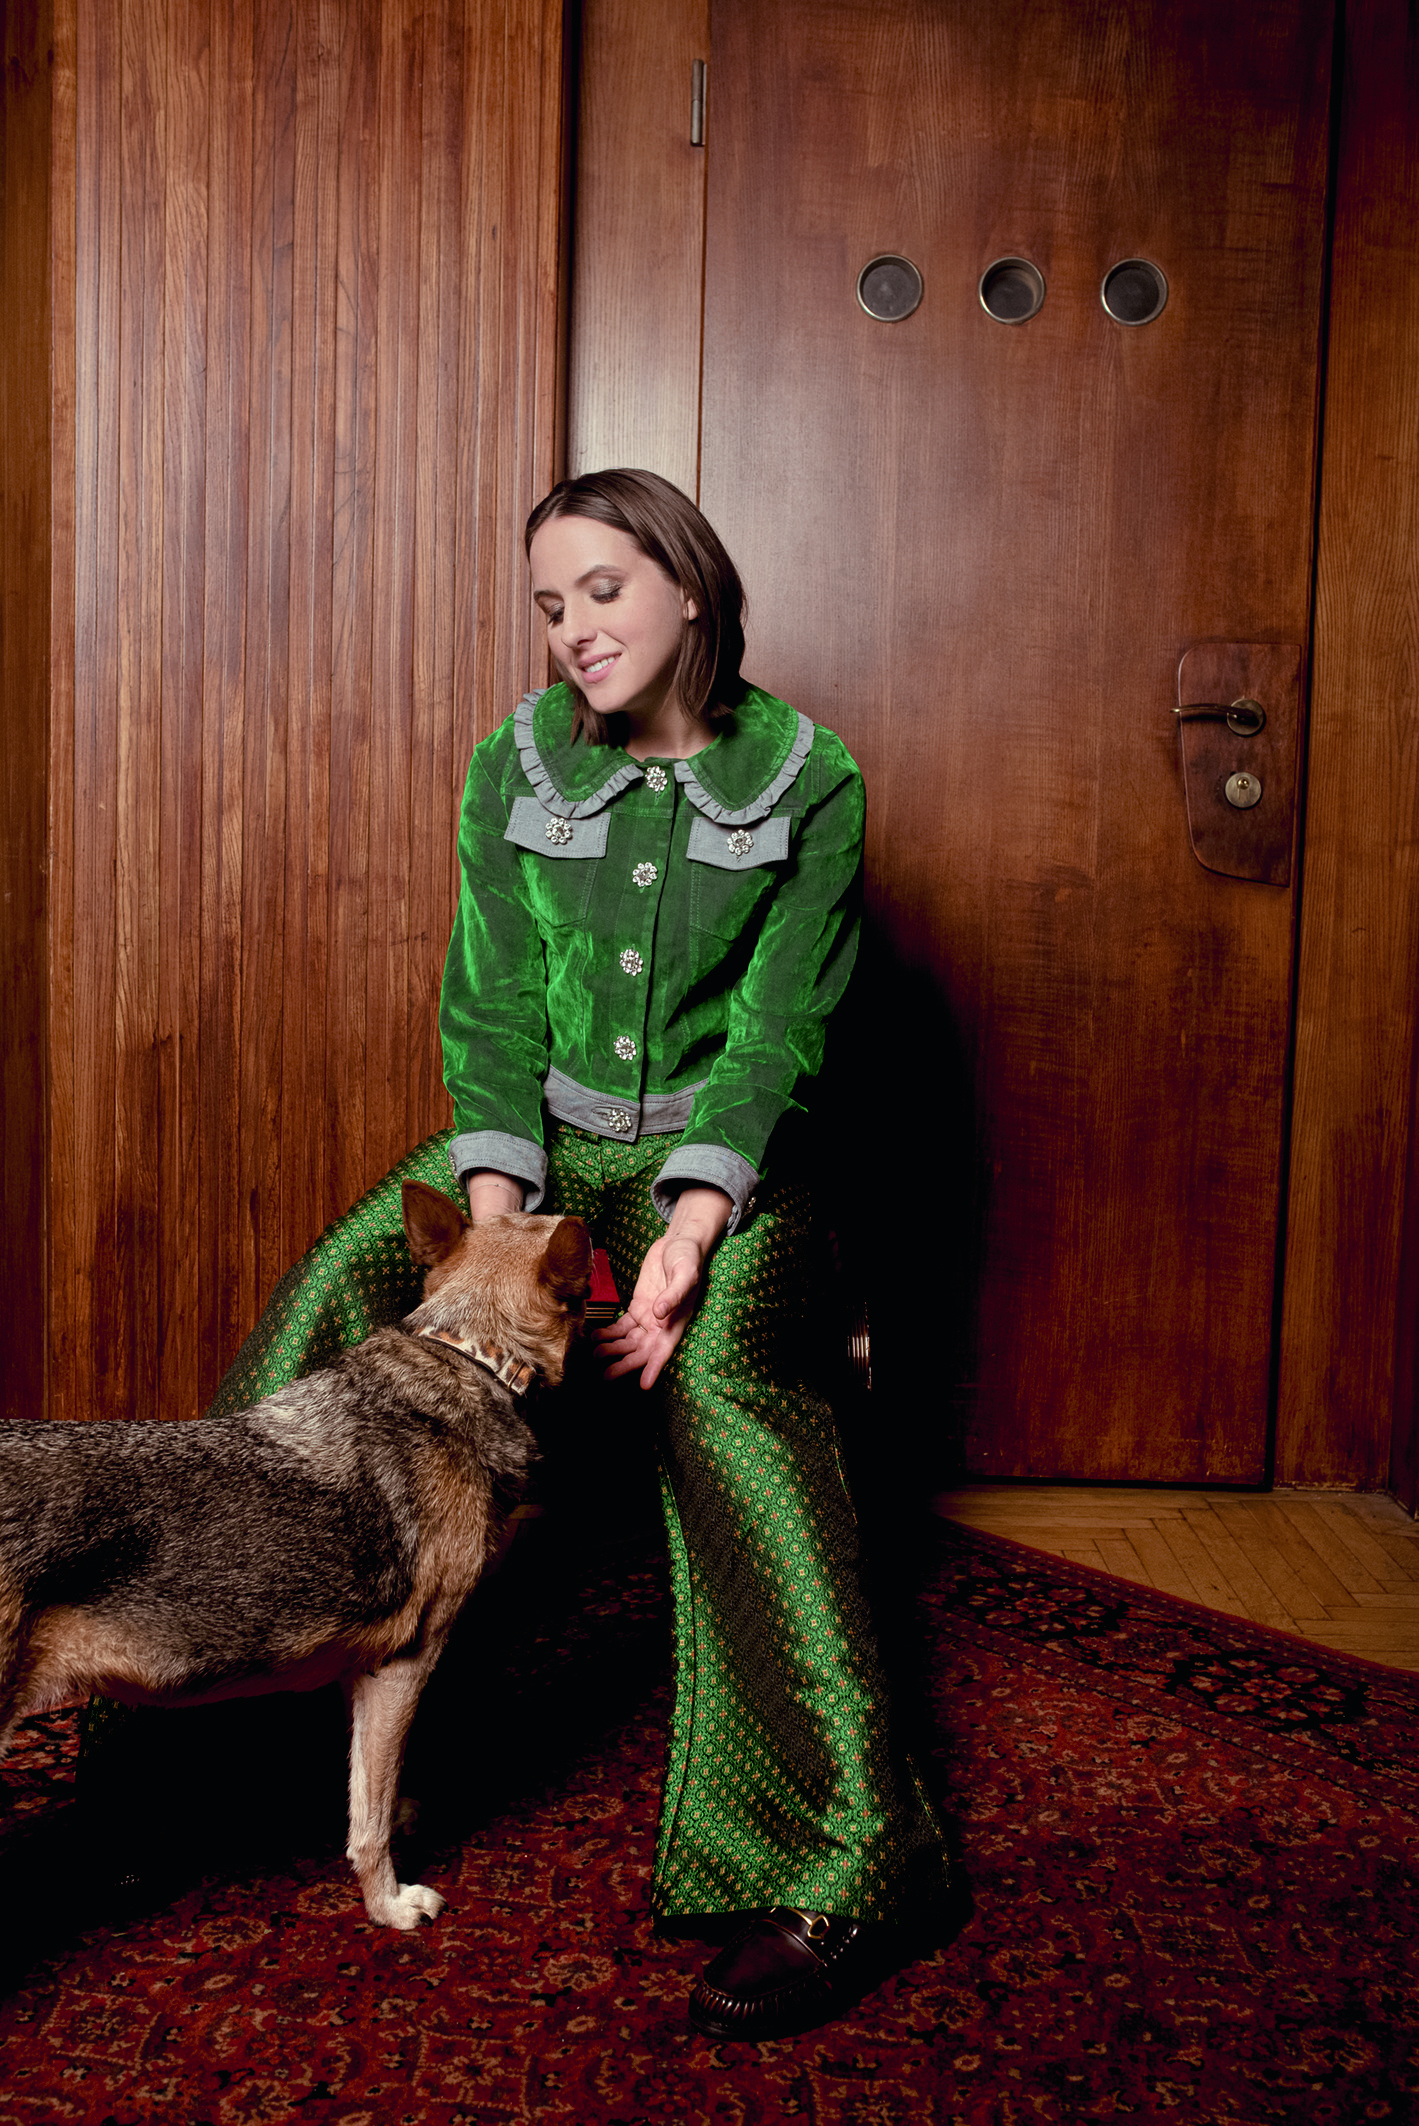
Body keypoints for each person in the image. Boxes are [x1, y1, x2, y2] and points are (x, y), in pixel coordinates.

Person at [202, 468, 950, 2039]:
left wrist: (685, 1238)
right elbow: (489, 1008)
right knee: (337, 1290)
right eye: (551, 605)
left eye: (602, 590)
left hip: (724, 1170)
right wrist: (494, 1224)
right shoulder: (516, 760)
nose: (573, 630)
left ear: (689, 584)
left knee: (730, 1400)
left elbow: (779, 1036)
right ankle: (212, 1741)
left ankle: (843, 1864)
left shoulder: (809, 777)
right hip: (535, 1155)